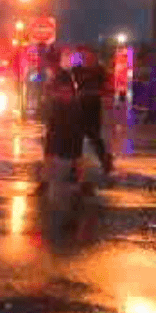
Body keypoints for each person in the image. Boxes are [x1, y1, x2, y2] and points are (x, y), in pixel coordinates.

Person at [40, 47, 84, 206]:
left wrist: (54, 95)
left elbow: (67, 94)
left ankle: (79, 184)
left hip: (67, 118)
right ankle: (45, 182)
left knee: (75, 154)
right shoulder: (54, 75)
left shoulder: (63, 75)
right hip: (57, 118)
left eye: (49, 62)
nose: (47, 64)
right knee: (50, 152)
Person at [71, 46, 114, 176]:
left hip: (94, 106)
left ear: (94, 57)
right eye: (85, 56)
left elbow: (106, 87)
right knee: (77, 136)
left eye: (90, 56)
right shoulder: (77, 70)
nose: (87, 58)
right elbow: (75, 86)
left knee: (94, 135)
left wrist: (104, 95)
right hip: (80, 105)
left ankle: (105, 161)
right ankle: (74, 164)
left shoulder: (100, 70)